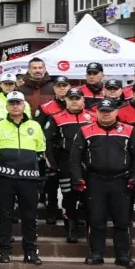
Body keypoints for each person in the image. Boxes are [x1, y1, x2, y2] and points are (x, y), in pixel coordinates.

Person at [71, 99, 135, 268]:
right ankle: (96, 253)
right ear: (96, 112)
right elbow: (75, 156)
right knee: (96, 219)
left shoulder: (129, 130)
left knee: (122, 220)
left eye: (109, 111)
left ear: (116, 112)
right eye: (102, 111)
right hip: (95, 181)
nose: (106, 113)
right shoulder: (85, 130)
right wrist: (77, 178)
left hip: (121, 181)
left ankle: (123, 255)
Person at [0, 92, 46, 265]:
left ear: (24, 105)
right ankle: (4, 251)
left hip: (28, 179)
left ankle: (31, 252)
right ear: (6, 106)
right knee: (4, 215)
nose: (15, 106)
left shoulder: (35, 126)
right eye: (11, 103)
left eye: (18, 103)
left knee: (29, 216)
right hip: (5, 177)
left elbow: (40, 151)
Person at [42, 88, 94, 244]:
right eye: (71, 98)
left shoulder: (92, 116)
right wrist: (52, 162)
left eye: (77, 98)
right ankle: (71, 227)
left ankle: (89, 226)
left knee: (90, 196)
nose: (74, 101)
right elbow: (47, 141)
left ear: (83, 100)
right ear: (65, 100)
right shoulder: (56, 117)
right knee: (69, 195)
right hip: (66, 162)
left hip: (89, 162)